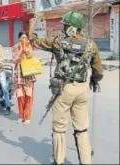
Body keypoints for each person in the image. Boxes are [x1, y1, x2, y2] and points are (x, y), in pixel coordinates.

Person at [29, 11, 103, 164]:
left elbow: (33, 41)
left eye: (65, 25)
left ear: (70, 27)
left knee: (59, 128)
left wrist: (31, 27)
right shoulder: (91, 44)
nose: (63, 27)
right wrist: (94, 80)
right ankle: (86, 161)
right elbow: (98, 71)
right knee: (82, 129)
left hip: (63, 90)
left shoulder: (57, 41)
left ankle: (59, 160)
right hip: (82, 90)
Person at [12, 31, 36, 125]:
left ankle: (28, 117)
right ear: (19, 39)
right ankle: (21, 116)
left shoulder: (30, 47)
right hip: (19, 75)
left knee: (29, 96)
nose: (24, 39)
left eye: (26, 38)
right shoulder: (15, 47)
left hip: (29, 75)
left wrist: (26, 49)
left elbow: (31, 56)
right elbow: (14, 60)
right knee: (20, 97)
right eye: (22, 38)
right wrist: (21, 50)